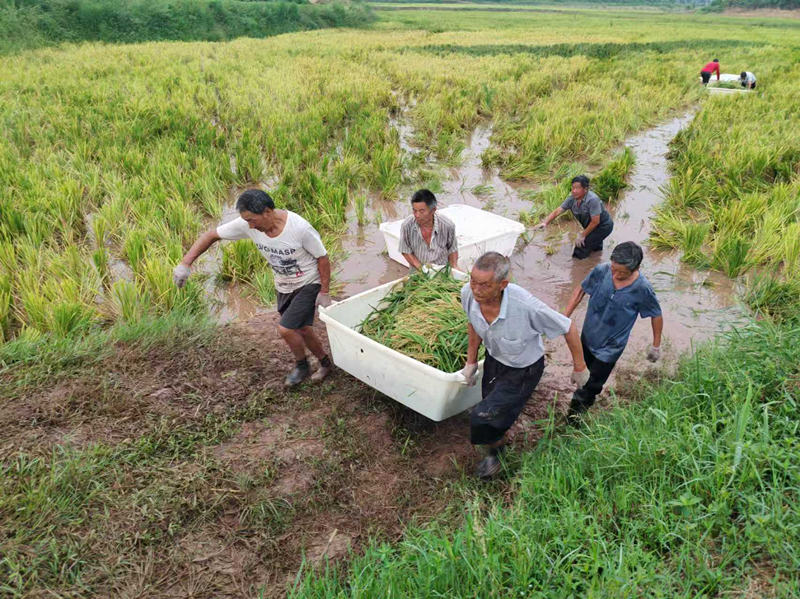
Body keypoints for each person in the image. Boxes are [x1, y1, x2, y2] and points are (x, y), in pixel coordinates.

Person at [173, 189, 333, 387]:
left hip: (309, 282)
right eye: (246, 221)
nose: (249, 226)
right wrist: (185, 263)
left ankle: (302, 366)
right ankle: (325, 363)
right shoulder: (249, 224)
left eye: (252, 220)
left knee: (286, 328)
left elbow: (322, 258)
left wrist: (324, 291)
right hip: (283, 284)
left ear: (267, 212)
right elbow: (211, 235)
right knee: (301, 328)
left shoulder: (300, 228)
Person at [459, 252, 590, 479]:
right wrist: (471, 362)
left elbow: (568, 327)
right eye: (473, 281)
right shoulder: (468, 295)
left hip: (523, 370)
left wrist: (579, 368)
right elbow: (474, 324)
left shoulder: (526, 307)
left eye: (484, 285)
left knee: (482, 416)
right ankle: (498, 441)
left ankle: (495, 455)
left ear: (503, 285)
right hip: (494, 360)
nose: (476, 290)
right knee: (490, 408)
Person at [562, 242, 663, 424]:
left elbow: (656, 314)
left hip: (610, 348)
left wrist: (656, 345)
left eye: (621, 273)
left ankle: (573, 421)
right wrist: (563, 317)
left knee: (590, 386)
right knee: (581, 372)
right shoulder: (602, 271)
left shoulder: (643, 289)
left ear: (635, 268)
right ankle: (579, 400)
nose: (615, 275)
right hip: (587, 338)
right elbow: (580, 290)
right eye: (614, 269)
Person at [535, 175, 614, 259]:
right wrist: (545, 223)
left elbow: (595, 222)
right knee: (595, 247)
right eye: (573, 188)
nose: (574, 191)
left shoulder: (593, 200)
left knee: (579, 249)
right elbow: (558, 210)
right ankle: (596, 257)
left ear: (585, 189)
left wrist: (582, 235)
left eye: (577, 188)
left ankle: (578, 267)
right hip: (591, 226)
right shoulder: (571, 199)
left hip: (603, 226)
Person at [399, 189, 458, 270]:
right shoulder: (407, 225)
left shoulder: (447, 225)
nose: (417, 215)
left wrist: (454, 267)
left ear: (433, 210)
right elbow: (405, 250)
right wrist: (422, 269)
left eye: (421, 211)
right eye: (414, 210)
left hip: (441, 272)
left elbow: (452, 249)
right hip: (418, 272)